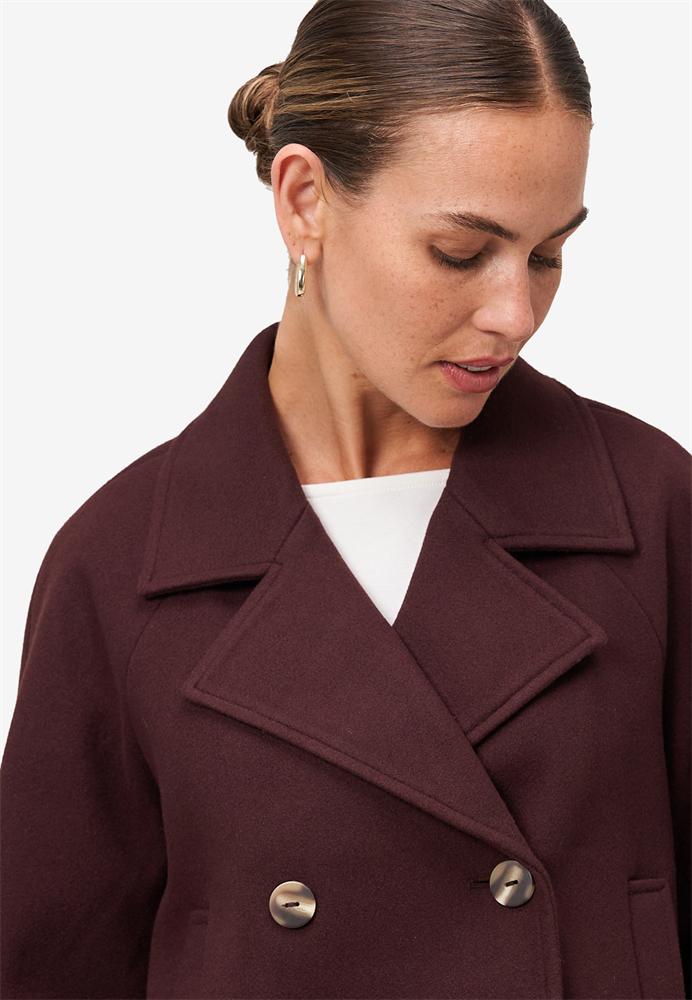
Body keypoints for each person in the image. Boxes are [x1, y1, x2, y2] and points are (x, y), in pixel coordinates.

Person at [1, 0, 689, 997]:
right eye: (460, 252)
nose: (515, 313)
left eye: (547, 254)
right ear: (304, 201)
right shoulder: (121, 565)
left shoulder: (651, 514)